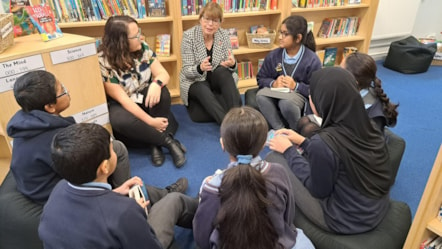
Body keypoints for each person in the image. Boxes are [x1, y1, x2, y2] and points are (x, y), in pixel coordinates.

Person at [6, 70, 188, 206]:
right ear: (50, 107)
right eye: (62, 91)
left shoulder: (31, 119)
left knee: (117, 148)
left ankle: (129, 189)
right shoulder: (53, 141)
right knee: (113, 153)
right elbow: (80, 183)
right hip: (57, 198)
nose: (67, 92)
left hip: (54, 181)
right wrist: (111, 194)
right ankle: (145, 198)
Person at [267, 67, 393, 234]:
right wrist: (303, 142)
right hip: (376, 208)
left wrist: (289, 150)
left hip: (345, 220)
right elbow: (340, 154)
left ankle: (275, 224)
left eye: (312, 95)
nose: (310, 98)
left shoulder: (323, 142)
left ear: (322, 101)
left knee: (274, 158)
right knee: (294, 154)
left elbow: (318, 190)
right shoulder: (368, 124)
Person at [38, 123, 198, 249]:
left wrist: (115, 193)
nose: (116, 149)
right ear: (104, 167)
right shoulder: (125, 212)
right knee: (174, 201)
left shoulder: (59, 189)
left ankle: (166, 194)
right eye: (111, 147)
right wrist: (139, 214)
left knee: (143, 190)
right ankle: (204, 204)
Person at [193, 106, 314, 249]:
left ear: (222, 144)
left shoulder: (212, 187)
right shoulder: (278, 172)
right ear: (264, 144)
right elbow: (287, 217)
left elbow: (202, 238)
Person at [98, 15, 186, 167]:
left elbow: (163, 74)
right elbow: (124, 100)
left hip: (142, 95)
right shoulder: (103, 61)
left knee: (163, 93)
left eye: (140, 32)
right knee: (119, 120)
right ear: (121, 42)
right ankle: (167, 141)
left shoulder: (143, 48)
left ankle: (152, 143)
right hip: (123, 104)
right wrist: (151, 122)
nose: (141, 37)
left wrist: (156, 84)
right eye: (135, 35)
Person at [297, 52, 399, 137]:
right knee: (304, 121)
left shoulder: (373, 115)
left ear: (353, 81)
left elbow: (356, 142)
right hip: (340, 131)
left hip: (354, 149)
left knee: (309, 130)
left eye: (341, 70)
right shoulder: (350, 90)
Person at [254, 15, 322, 130]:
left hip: (298, 96)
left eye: (285, 34)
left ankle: (296, 132)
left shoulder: (312, 60)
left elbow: (316, 90)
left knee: (286, 102)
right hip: (277, 92)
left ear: (298, 38)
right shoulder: (273, 55)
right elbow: (261, 78)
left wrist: (296, 86)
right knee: (261, 96)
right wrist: (273, 83)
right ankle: (280, 130)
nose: (280, 37)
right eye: (280, 33)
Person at [179, 2, 242, 125]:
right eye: (207, 19)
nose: (210, 24)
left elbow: (231, 67)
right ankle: (228, 125)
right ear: (200, 19)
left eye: (215, 20)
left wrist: (232, 64)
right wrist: (200, 68)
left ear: (220, 22)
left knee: (223, 72)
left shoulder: (223, 35)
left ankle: (237, 116)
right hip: (195, 80)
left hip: (216, 79)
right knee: (202, 89)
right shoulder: (189, 36)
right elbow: (187, 70)